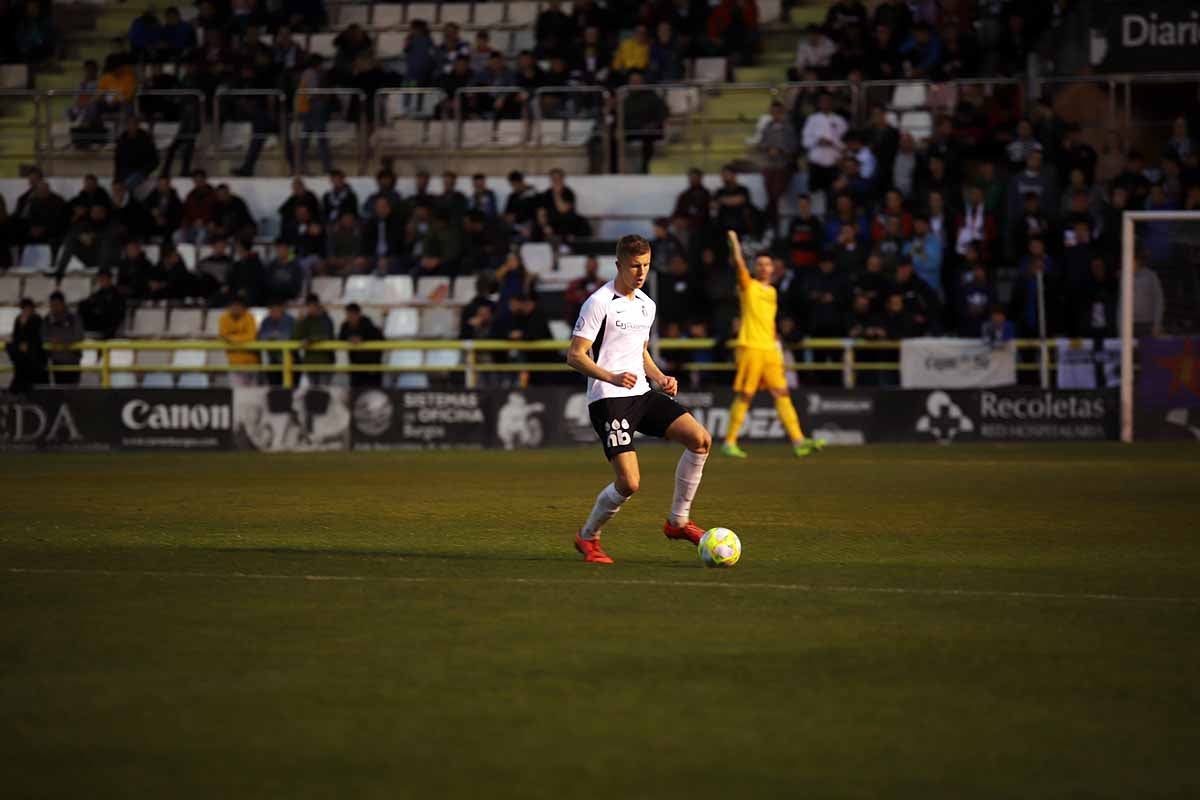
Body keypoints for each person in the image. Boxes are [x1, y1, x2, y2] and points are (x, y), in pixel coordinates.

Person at [565, 235, 713, 564]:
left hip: (642, 394)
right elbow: (575, 356)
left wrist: (659, 378)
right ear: (619, 265)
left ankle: (678, 522)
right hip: (608, 399)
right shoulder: (599, 302)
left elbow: (640, 350)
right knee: (629, 482)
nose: (641, 272)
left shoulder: (647, 304)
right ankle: (587, 536)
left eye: (646, 265)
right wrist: (611, 376)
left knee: (700, 440)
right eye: (634, 266)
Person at [721, 231, 825, 459]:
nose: (764, 267)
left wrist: (776, 337)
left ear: (773, 268)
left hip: (770, 349)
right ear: (756, 268)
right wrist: (736, 244)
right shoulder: (749, 287)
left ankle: (798, 441)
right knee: (746, 396)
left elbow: (767, 320)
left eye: (767, 264)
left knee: (782, 392)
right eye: (759, 264)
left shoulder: (773, 292)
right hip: (751, 348)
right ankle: (729, 442)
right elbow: (739, 266)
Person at [7, 298, 47, 393]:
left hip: (34, 360)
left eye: (28, 308)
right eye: (24, 308)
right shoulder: (18, 319)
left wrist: (27, 345)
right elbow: (16, 336)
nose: (26, 311)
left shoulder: (37, 319)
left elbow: (37, 337)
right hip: (22, 360)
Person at [43, 291, 84, 385]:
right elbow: (43, 337)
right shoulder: (47, 319)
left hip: (72, 361)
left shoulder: (74, 318)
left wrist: (62, 341)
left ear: (63, 304)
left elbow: (79, 336)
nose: (54, 308)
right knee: (59, 391)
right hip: (56, 362)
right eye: (52, 305)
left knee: (72, 392)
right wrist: (51, 341)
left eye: (57, 305)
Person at [339, 303, 384, 388]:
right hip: (355, 366)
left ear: (358, 314)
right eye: (348, 314)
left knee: (372, 391)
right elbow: (340, 338)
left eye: (353, 314)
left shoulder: (368, 325)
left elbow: (377, 338)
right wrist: (349, 339)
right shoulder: (345, 326)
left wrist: (362, 339)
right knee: (356, 393)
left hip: (371, 366)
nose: (350, 317)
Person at [294, 293, 336, 385]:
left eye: (311, 306)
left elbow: (326, 335)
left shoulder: (326, 319)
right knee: (313, 393)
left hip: (325, 362)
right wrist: (299, 322)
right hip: (310, 363)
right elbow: (296, 338)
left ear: (317, 305)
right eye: (308, 306)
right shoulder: (306, 320)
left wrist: (310, 340)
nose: (309, 308)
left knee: (323, 392)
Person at [218, 296, 260, 387]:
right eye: (233, 306)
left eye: (238, 306)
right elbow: (223, 336)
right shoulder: (224, 318)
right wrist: (240, 338)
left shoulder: (249, 316)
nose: (235, 308)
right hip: (234, 363)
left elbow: (251, 336)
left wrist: (233, 339)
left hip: (251, 362)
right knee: (237, 392)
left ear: (243, 307)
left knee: (253, 392)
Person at [256, 302, 296, 386]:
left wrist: (272, 336)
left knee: (289, 385)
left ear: (281, 309)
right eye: (272, 311)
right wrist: (275, 336)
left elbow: (287, 336)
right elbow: (261, 337)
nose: (274, 313)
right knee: (274, 385)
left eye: (276, 310)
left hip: (289, 358)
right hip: (272, 358)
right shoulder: (266, 321)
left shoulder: (289, 320)